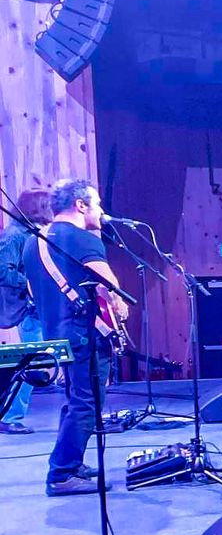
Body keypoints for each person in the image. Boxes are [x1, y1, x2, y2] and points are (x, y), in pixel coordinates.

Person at [21, 179, 128, 497]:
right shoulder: (82, 239)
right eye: (97, 203)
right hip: (84, 334)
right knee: (87, 403)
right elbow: (109, 288)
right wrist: (121, 309)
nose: (101, 210)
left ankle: (71, 463)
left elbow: (32, 291)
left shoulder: (34, 242)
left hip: (57, 333)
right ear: (80, 205)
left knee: (74, 401)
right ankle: (62, 473)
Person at [0, 188, 50, 435]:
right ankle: (9, 416)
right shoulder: (15, 236)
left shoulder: (32, 232)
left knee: (36, 360)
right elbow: (3, 271)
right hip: (27, 309)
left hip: (38, 306)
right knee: (30, 363)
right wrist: (30, 284)